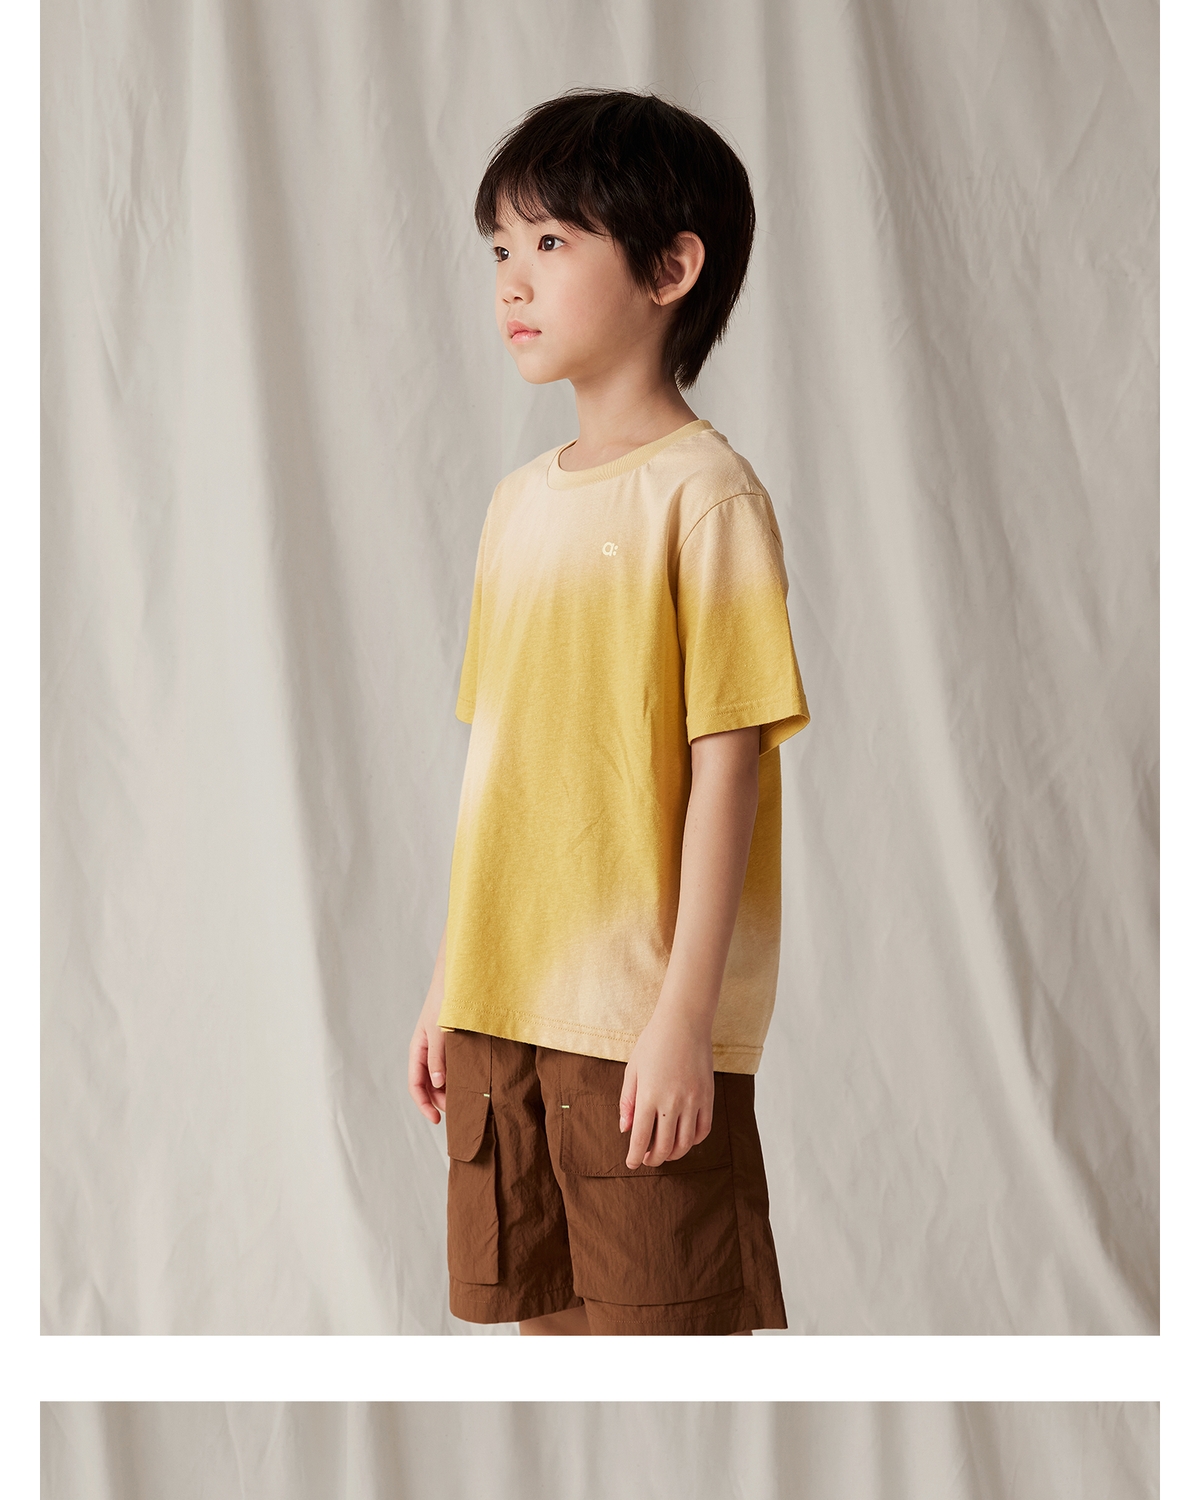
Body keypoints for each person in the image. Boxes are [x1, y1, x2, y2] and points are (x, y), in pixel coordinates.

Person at [408, 87, 810, 1336]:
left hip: (634, 1017)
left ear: (670, 269)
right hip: (501, 1011)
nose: (512, 282)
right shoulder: (514, 507)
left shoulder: (707, 498)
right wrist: (448, 984)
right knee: (546, 1342)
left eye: (550, 241)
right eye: (499, 249)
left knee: (670, 1332)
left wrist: (686, 1016)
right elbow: (499, 773)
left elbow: (728, 769)